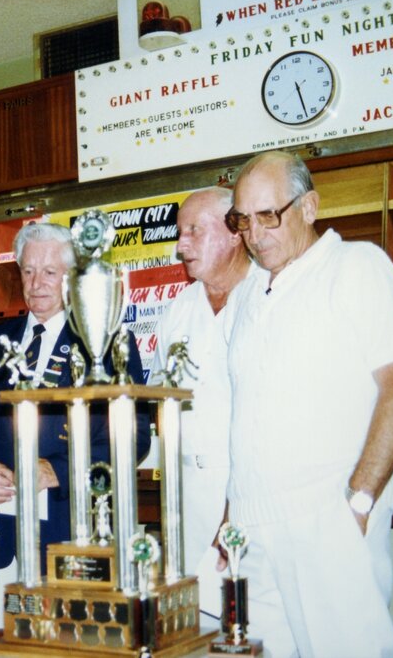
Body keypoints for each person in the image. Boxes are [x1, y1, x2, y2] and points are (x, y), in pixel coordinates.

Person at [221, 151, 393, 657]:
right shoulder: (248, 295)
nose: (253, 233)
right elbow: (248, 416)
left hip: (325, 518)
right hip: (251, 530)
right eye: (241, 220)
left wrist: (357, 504)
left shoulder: (356, 267)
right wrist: (231, 516)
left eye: (269, 215)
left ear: (309, 206)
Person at [0, 222, 151, 598]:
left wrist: (59, 470)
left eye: (49, 272)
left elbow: (133, 436)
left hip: (71, 530)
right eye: (28, 271)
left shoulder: (107, 345)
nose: (35, 282)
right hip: (0, 536)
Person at [148, 187, 250, 619]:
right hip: (185, 496)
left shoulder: (267, 296)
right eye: (179, 232)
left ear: (233, 234)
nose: (180, 245)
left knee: (252, 627)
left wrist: (237, 511)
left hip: (248, 493)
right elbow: (157, 392)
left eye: (193, 231)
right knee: (193, 629)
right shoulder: (179, 309)